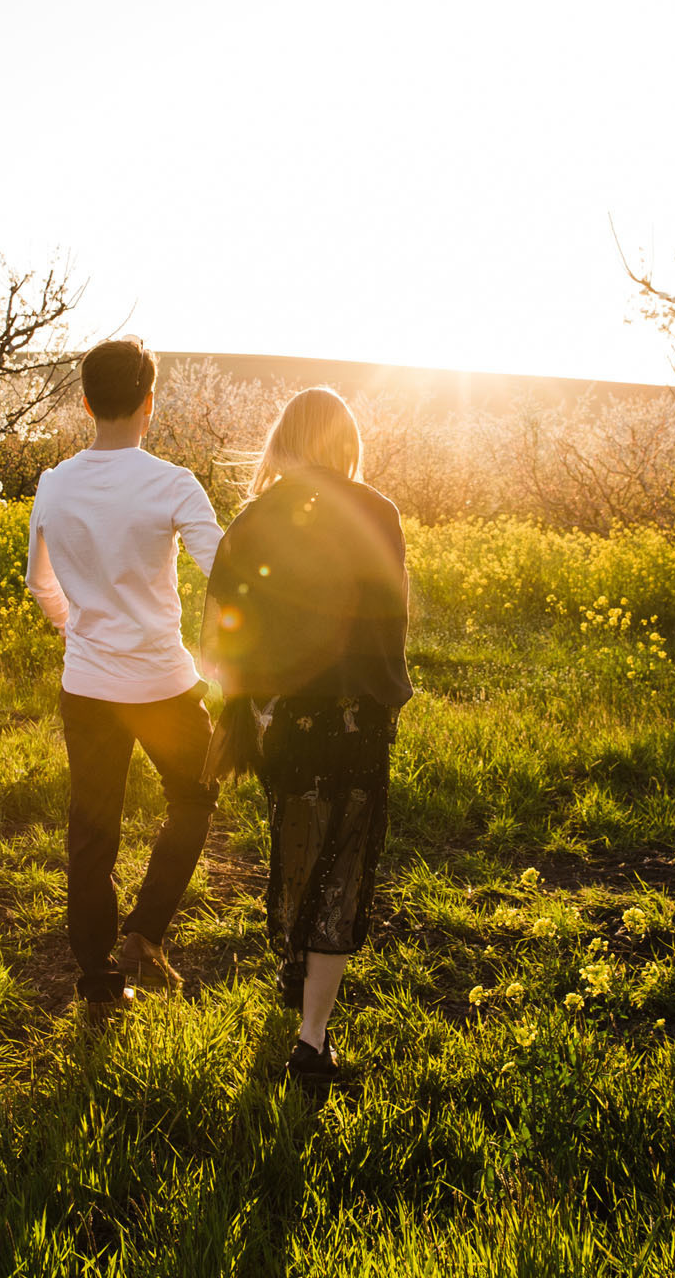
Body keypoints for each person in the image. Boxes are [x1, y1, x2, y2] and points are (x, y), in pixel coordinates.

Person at [201, 387, 410, 1094]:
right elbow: (393, 616)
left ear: (284, 440)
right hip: (356, 717)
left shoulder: (255, 516)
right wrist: (385, 694)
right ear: (345, 441)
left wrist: (240, 704)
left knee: (297, 842)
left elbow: (220, 622)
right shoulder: (378, 511)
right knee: (344, 864)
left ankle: (293, 958)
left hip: (280, 719)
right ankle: (311, 1038)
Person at [28, 338, 224, 1016]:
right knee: (194, 800)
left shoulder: (55, 484)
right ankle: (144, 931)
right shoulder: (173, 483)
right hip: (165, 685)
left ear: (85, 403)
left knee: (92, 830)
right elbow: (222, 570)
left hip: (87, 685)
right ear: (149, 405)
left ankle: (98, 984)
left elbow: (38, 582)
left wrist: (74, 626)